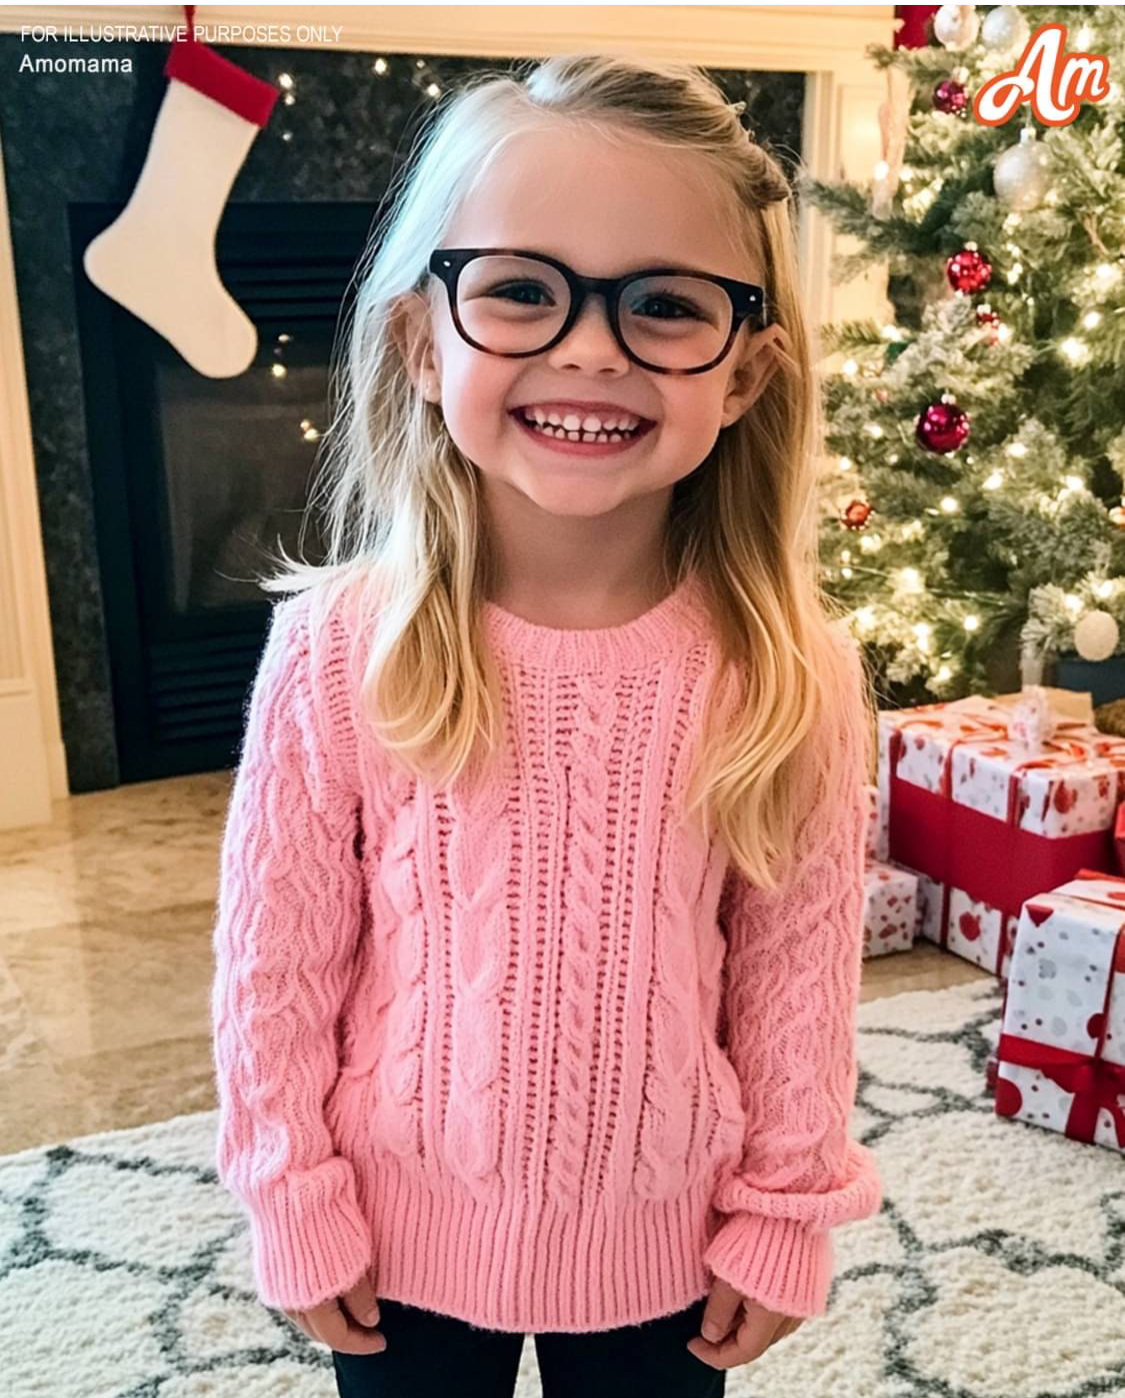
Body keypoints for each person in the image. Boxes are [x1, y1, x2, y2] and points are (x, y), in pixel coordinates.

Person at [209, 51, 884, 1398]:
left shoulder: (793, 671)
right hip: (397, 1243)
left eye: (664, 304)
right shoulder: (335, 646)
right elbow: (273, 965)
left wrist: (783, 1205)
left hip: (667, 1253)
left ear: (744, 374)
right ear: (421, 336)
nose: (590, 348)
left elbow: (795, 975)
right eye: (521, 288)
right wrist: (291, 1192)